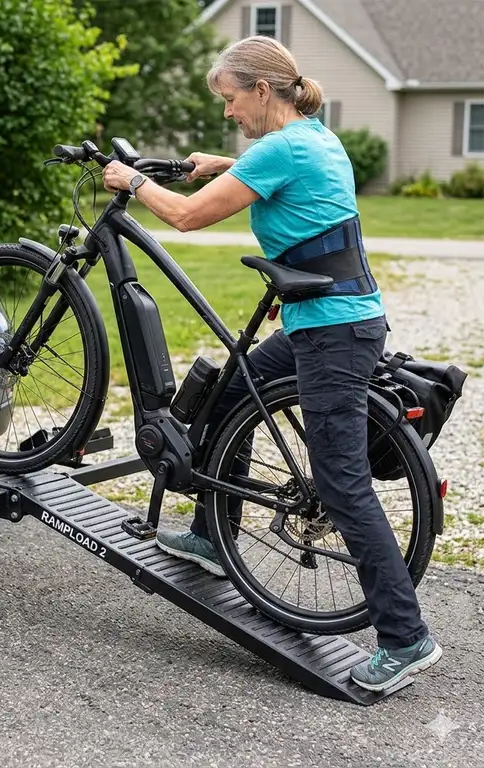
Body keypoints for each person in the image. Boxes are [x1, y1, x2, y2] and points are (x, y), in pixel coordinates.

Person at [101, 35, 442, 692]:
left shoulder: (283, 147)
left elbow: (188, 218)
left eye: (230, 100)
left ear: (261, 91)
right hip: (333, 323)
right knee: (234, 393)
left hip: (333, 334)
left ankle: (406, 637)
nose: (228, 111)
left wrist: (134, 180)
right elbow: (283, 169)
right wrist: (220, 163)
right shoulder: (312, 136)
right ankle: (211, 534)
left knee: (341, 485)